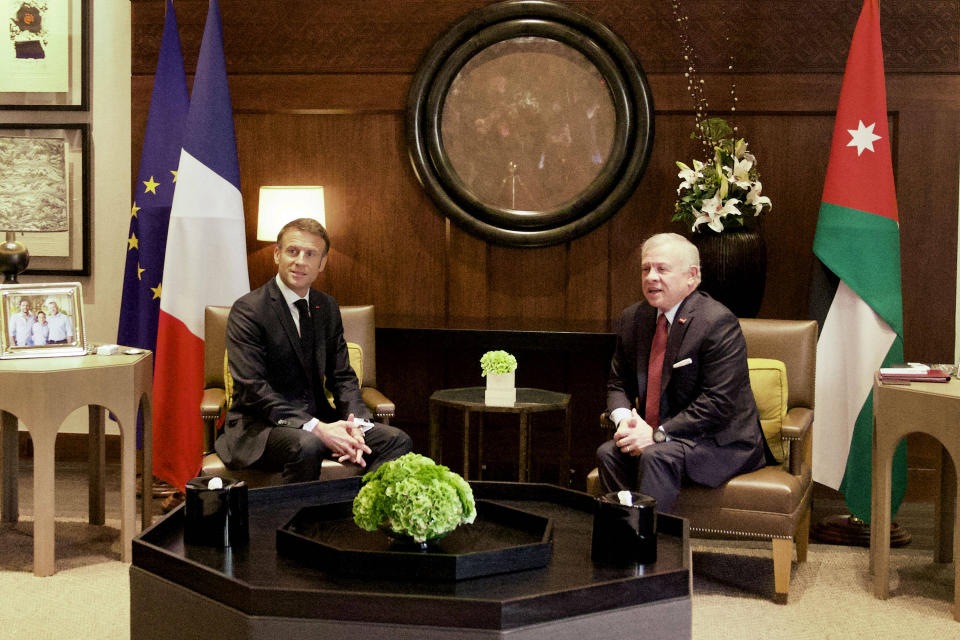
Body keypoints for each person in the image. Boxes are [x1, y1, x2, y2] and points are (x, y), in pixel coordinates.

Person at [215, 217, 412, 483]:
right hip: (261, 427)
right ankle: (294, 523)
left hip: (321, 419)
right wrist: (317, 428)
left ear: (322, 264)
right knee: (308, 444)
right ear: (277, 255)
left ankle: (359, 511)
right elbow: (253, 389)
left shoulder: (326, 307)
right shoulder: (248, 310)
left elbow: (342, 376)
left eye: (311, 254)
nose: (300, 261)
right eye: (292, 251)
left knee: (396, 440)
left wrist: (355, 425)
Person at [595, 232, 771, 513]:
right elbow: (618, 383)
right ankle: (625, 542)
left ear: (692, 276)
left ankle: (655, 550)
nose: (651, 277)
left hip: (717, 441)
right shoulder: (633, 319)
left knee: (656, 457)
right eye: (646, 269)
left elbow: (717, 402)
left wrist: (657, 434)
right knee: (609, 453)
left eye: (662, 269)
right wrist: (625, 422)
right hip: (662, 438)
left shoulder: (717, 322)